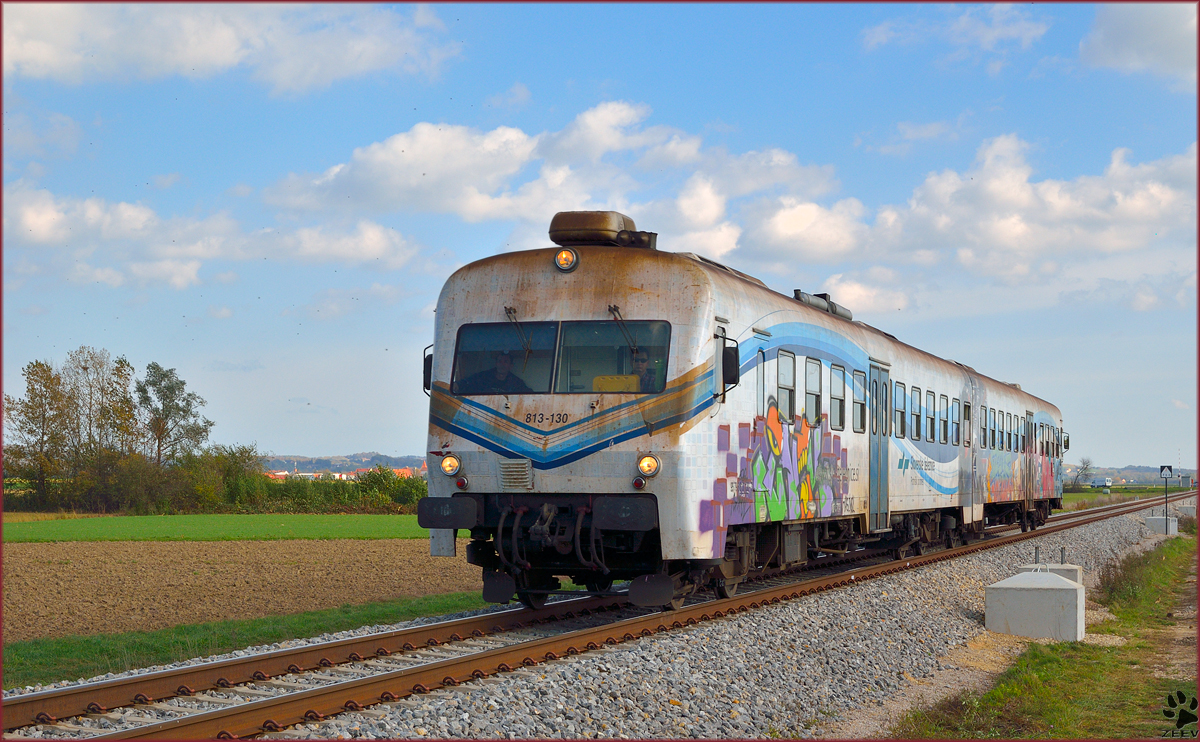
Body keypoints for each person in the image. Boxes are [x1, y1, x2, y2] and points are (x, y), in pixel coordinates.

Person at [457, 351, 532, 394]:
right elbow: (466, 383)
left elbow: (529, 394)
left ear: (511, 366)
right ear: (496, 364)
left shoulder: (516, 383)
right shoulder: (482, 377)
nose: (502, 364)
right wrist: (456, 385)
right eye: (499, 361)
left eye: (505, 362)